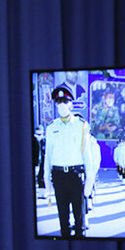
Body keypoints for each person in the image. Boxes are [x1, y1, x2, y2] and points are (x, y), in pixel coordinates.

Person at [44, 85, 92, 238]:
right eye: (58, 102)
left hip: (75, 175)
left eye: (65, 101)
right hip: (58, 176)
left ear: (71, 104)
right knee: (62, 216)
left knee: (79, 217)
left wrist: (90, 180)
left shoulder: (81, 125)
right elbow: (48, 155)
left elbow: (87, 154)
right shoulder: (51, 128)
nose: (62, 105)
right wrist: (46, 179)